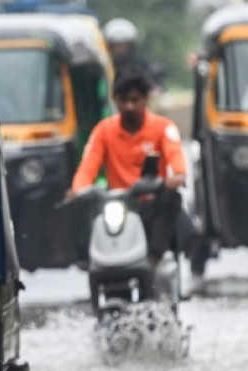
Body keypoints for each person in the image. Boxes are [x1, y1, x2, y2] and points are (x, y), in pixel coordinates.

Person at [67, 66, 186, 270]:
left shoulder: (163, 127)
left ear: (145, 99)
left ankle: (153, 259)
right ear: (115, 100)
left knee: (172, 198)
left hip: (151, 204)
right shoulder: (104, 131)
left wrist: (178, 175)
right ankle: (87, 259)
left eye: (135, 100)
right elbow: (88, 165)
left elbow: (176, 156)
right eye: (123, 100)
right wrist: (78, 189)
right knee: (79, 204)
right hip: (119, 206)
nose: (129, 106)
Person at [103, 18, 164, 92]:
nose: (120, 49)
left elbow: (154, 88)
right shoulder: (105, 67)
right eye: (116, 45)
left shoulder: (140, 65)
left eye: (123, 45)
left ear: (131, 46)